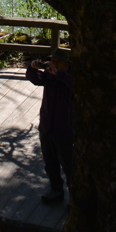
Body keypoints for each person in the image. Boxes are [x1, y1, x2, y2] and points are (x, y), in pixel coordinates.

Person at [26, 51, 73, 204]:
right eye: (51, 60)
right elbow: (35, 79)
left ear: (66, 63)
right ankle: (56, 190)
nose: (53, 63)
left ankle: (75, 197)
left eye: (57, 61)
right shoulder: (49, 75)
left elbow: (75, 85)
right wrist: (32, 68)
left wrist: (59, 74)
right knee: (50, 161)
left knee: (69, 165)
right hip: (46, 125)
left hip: (64, 128)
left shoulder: (70, 77)